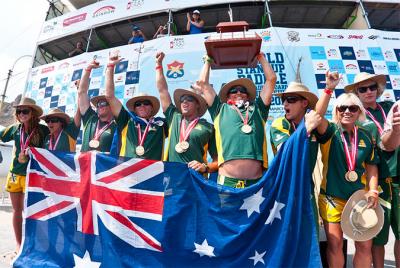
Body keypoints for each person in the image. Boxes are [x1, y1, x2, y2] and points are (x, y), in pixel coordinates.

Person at [270, 72, 340, 235]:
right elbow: (287, 152)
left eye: (291, 99)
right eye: (284, 100)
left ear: (304, 103)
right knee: (286, 242)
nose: (285, 103)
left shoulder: (315, 124)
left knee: (310, 241)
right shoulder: (279, 124)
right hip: (284, 191)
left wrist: (328, 89)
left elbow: (316, 116)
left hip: (306, 190)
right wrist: (307, 128)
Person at [315, 92, 379, 267]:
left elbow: (372, 165)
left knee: (365, 245)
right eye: (342, 108)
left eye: (353, 108)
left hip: (359, 199)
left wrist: (373, 190)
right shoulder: (329, 131)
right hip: (332, 198)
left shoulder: (366, 135)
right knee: (335, 244)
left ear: (359, 112)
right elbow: (316, 116)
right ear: (336, 110)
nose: (347, 111)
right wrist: (328, 90)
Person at [195, 53, 276, 187]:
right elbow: (203, 83)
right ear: (227, 97)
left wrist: (260, 57)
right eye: (234, 90)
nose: (239, 93)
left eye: (243, 91)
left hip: (256, 183)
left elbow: (271, 79)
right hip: (227, 182)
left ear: (248, 96)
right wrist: (208, 60)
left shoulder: (258, 109)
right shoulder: (219, 109)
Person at [344, 72, 399, 268]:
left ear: (378, 89)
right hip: (373, 181)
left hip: (397, 177)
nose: (368, 92)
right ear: (356, 93)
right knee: (376, 234)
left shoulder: (389, 108)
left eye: (372, 87)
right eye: (363, 89)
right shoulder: (353, 116)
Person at [156, 52, 218, 174]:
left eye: (189, 99)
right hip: (172, 178)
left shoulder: (208, 127)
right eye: (182, 100)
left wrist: (205, 167)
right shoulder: (174, 116)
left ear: (198, 104)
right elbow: (162, 90)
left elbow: (218, 161)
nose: (184, 102)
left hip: (196, 179)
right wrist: (158, 65)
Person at [0, 97, 49, 252]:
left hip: (33, 175)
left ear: (33, 112)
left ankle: (33, 244)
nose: (21, 114)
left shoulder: (43, 130)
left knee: (35, 212)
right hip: (15, 174)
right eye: (19, 111)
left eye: (25, 111)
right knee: (17, 210)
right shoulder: (15, 128)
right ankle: (19, 244)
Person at [105, 52, 167, 160]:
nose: (142, 106)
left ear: (152, 107)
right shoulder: (127, 120)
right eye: (138, 104)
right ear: (134, 109)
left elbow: (163, 91)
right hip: (127, 173)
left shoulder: (162, 124)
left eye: (146, 103)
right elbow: (109, 96)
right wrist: (110, 67)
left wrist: (159, 65)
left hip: (153, 175)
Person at [77, 58, 117, 153]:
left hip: (105, 167)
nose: (100, 106)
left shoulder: (117, 125)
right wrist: (88, 69)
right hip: (84, 166)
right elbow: (82, 92)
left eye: (103, 103)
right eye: (98, 104)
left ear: (111, 106)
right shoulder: (90, 119)